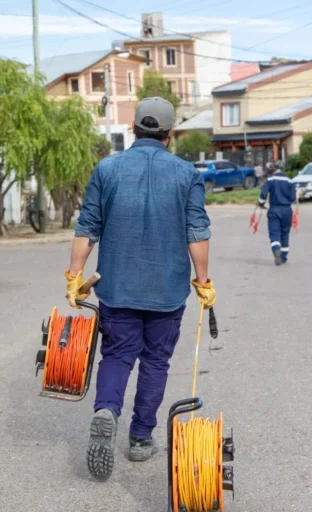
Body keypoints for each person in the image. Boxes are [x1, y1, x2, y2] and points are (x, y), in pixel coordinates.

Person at [65, 97, 217, 481]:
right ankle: (139, 438)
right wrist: (202, 281)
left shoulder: (107, 168)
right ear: (170, 134)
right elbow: (196, 231)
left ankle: (106, 411)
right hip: (166, 291)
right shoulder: (187, 174)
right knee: (155, 361)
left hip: (116, 287)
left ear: (134, 129)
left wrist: (74, 274)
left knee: (117, 355)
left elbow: (88, 226)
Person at [257, 161, 296, 266]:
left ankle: (276, 250)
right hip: (287, 210)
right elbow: (293, 198)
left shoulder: (271, 179)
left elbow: (264, 193)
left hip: (274, 209)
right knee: (285, 233)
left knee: (274, 232)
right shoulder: (290, 181)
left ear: (274, 168)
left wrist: (260, 203)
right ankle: (283, 256)